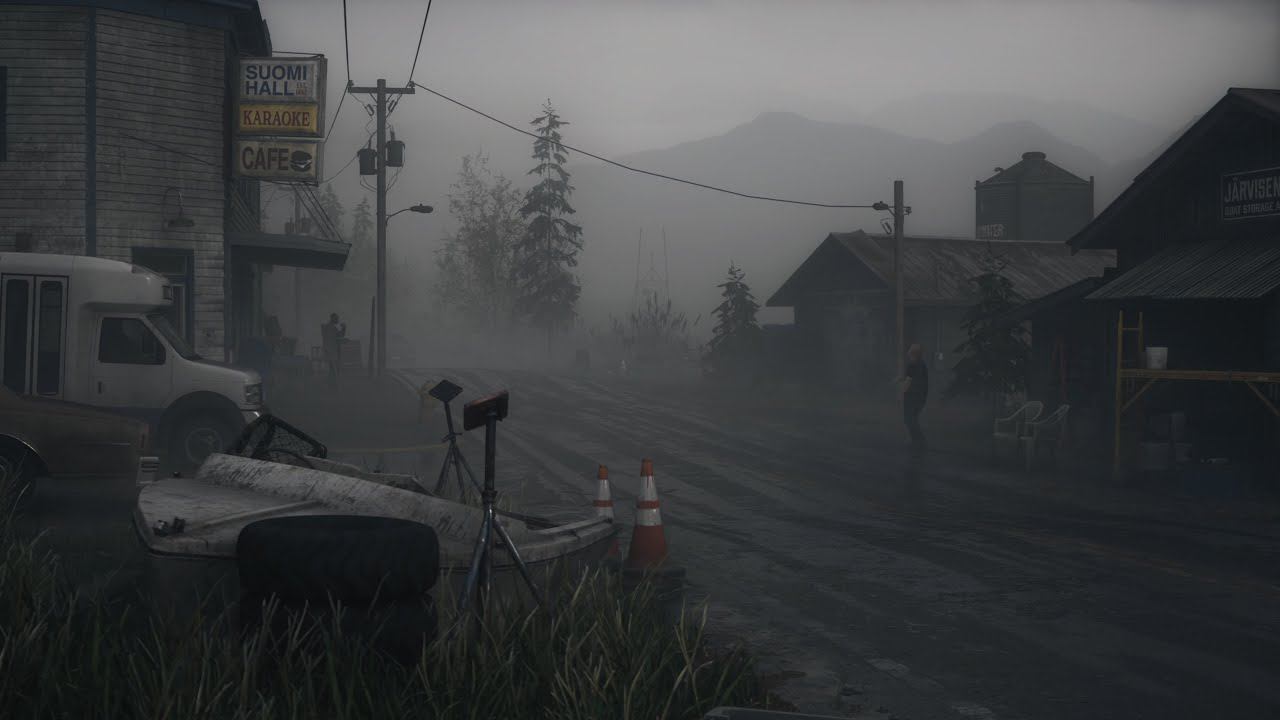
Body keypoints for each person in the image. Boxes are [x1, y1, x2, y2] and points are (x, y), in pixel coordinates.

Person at [900, 343, 929, 455]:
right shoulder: (922, 364)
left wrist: (901, 392)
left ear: (913, 353)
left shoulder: (912, 365)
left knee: (909, 419)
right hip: (921, 397)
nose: (908, 352)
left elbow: (908, 381)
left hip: (911, 397)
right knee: (913, 419)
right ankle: (918, 441)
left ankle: (918, 441)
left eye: (910, 350)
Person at [320, 313, 346, 388]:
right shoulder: (331, 328)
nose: (338, 320)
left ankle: (331, 384)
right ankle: (333, 385)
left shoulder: (328, 327)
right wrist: (344, 328)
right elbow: (340, 336)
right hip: (332, 351)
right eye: (337, 318)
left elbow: (338, 336)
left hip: (330, 350)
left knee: (332, 368)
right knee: (334, 368)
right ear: (333, 319)